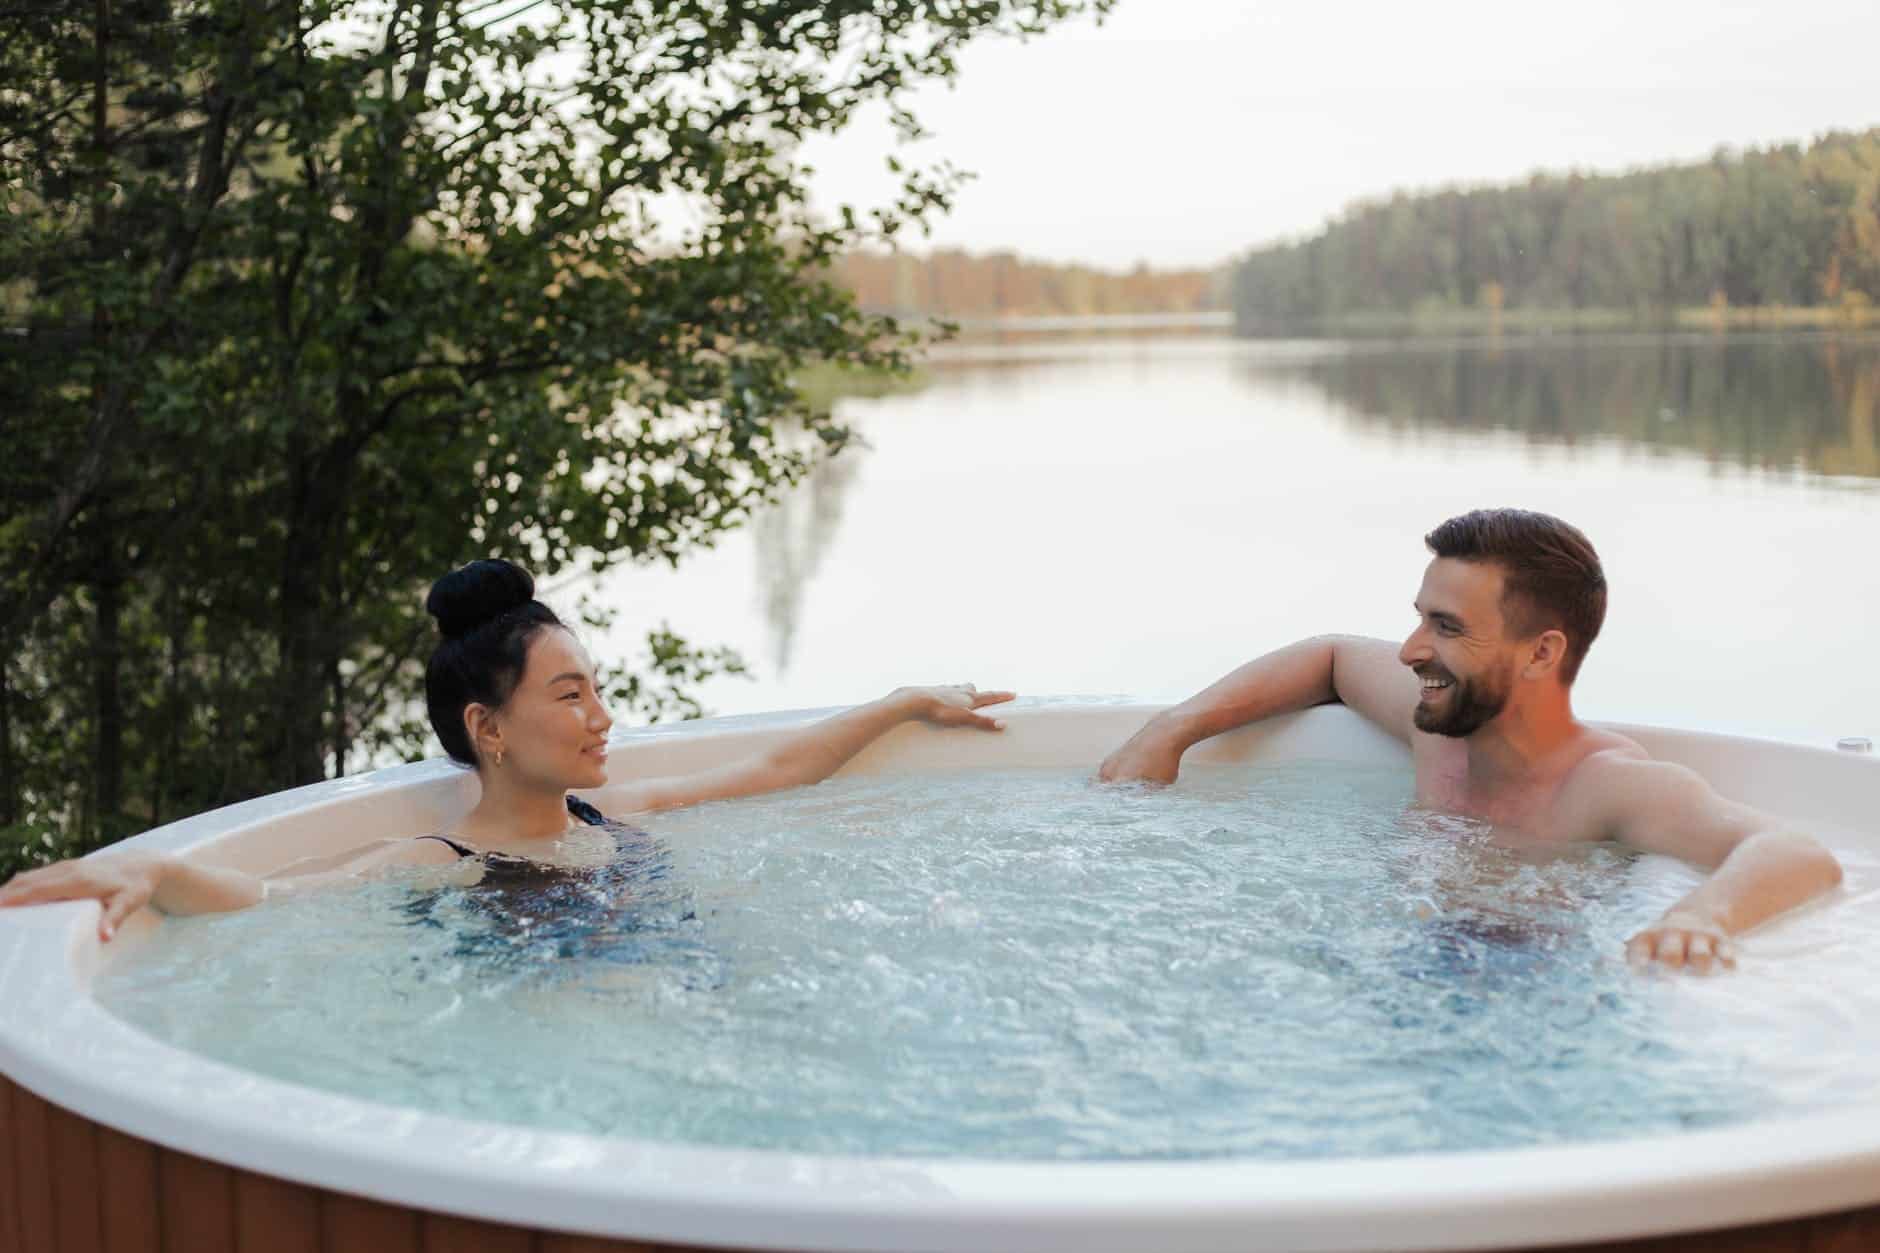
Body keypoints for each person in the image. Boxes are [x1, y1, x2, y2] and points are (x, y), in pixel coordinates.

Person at [0, 559, 1014, 940]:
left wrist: (899, 701)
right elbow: (268, 898)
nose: (601, 716)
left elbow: (774, 769)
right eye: (569, 694)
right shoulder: (439, 864)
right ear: (487, 728)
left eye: (597, 689)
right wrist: (145, 866)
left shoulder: (615, 815)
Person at [1097, 508, 1843, 975]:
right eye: (1421, 617)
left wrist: (1698, 917)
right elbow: (1327, 655)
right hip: (1400, 964)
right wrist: (1172, 732)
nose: (1410, 649)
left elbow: (1799, 852)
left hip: (1533, 991)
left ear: (1542, 653)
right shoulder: (1442, 732)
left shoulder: (1604, 784)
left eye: (1446, 628)